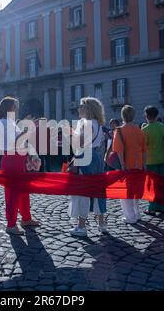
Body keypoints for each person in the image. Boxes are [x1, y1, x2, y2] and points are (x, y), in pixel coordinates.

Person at [0, 97, 40, 235]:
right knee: (13, 193)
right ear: (8, 108)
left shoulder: (10, 122)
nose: (16, 109)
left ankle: (26, 218)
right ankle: (11, 224)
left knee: (23, 190)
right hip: (12, 159)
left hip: (17, 159)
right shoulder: (4, 123)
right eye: (14, 106)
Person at [68, 98, 108, 236]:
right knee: (99, 190)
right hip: (97, 156)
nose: (78, 109)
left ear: (87, 109)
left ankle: (81, 226)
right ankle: (102, 224)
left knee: (82, 191)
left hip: (86, 157)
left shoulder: (85, 124)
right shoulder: (98, 124)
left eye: (81, 106)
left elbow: (80, 143)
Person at [113, 105, 146, 224]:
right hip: (139, 164)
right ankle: (137, 214)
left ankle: (130, 217)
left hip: (127, 165)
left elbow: (119, 150)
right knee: (136, 190)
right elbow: (144, 150)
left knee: (126, 192)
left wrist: (122, 165)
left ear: (122, 116)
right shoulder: (140, 130)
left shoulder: (119, 130)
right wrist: (144, 165)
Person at [142, 106, 164, 215]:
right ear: (157, 115)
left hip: (150, 161)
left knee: (152, 185)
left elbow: (143, 147)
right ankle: (161, 207)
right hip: (163, 159)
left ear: (146, 116)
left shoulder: (145, 130)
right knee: (162, 184)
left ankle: (152, 207)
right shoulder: (162, 127)